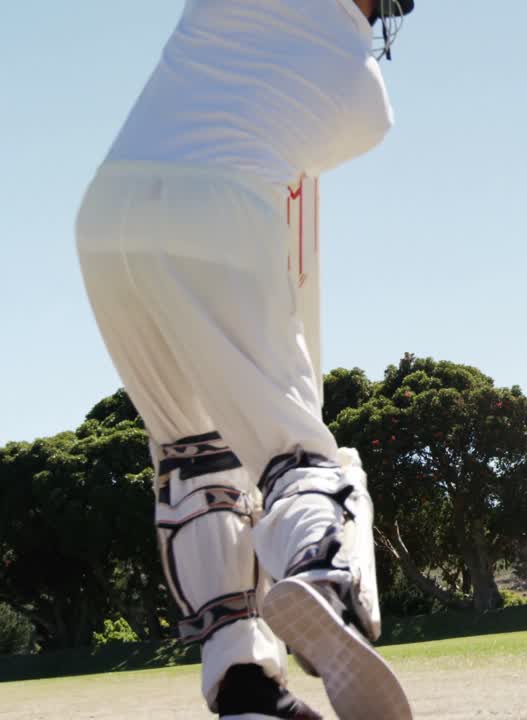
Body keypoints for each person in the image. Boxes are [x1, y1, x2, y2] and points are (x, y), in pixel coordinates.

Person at [73, 1, 415, 717]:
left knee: (195, 461)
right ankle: (321, 574)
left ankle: (245, 683)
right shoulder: (364, 100)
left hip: (106, 221)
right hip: (218, 216)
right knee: (296, 455)